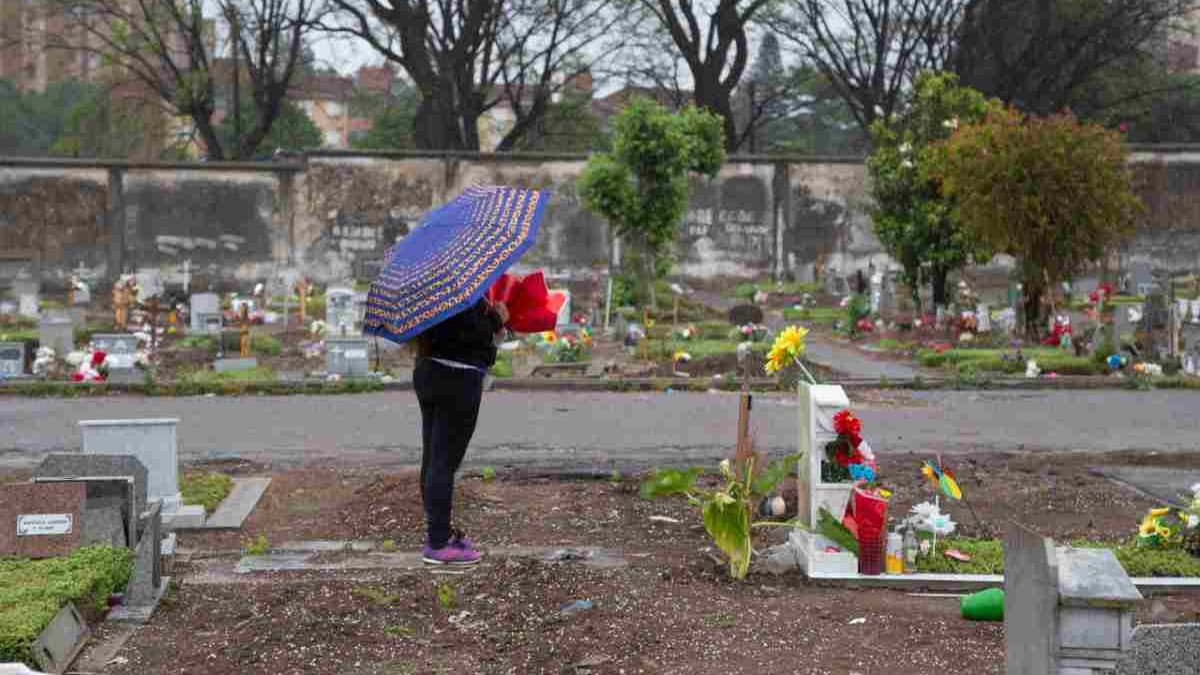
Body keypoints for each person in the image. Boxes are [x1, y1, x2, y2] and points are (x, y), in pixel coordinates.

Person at [413, 298, 508, 565]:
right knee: (443, 462)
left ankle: (438, 533)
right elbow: (473, 336)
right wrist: (497, 319)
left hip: (428, 371)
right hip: (458, 379)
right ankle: (438, 543)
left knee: (433, 458)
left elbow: (474, 342)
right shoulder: (461, 297)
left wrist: (494, 329)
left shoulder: (429, 291)